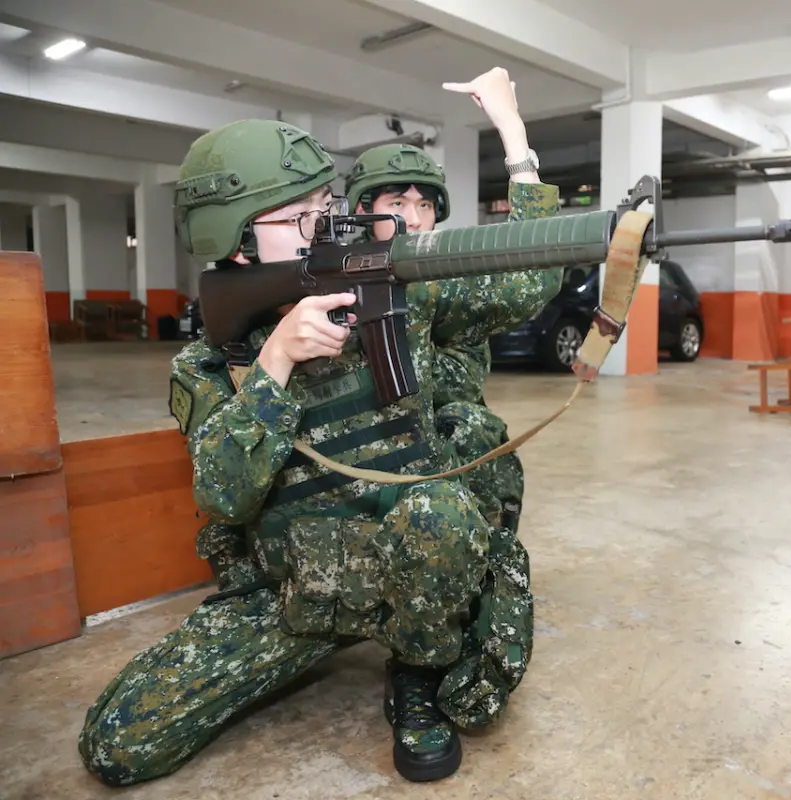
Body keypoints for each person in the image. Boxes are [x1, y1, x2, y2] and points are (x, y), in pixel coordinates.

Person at [77, 67, 562, 787]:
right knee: (118, 745)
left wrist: (514, 135)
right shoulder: (211, 363)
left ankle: (417, 673)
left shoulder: (394, 296)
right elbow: (226, 499)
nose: (328, 225)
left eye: (328, 204)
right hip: (295, 594)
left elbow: (531, 273)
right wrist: (273, 365)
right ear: (237, 244)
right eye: (302, 215)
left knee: (445, 511)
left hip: (408, 563)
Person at [340, 141, 532, 731]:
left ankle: (454, 603)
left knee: (480, 435)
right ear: (361, 211)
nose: (414, 216)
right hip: (338, 483)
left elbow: (525, 279)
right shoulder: (324, 282)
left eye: (425, 204)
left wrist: (516, 143)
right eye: (397, 200)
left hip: (423, 467)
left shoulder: (435, 281)